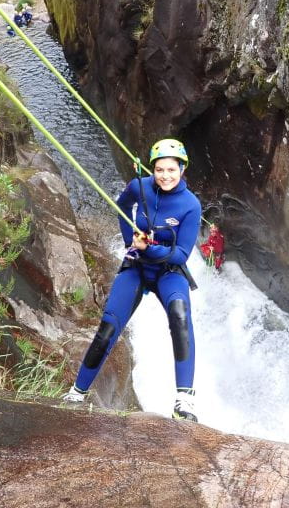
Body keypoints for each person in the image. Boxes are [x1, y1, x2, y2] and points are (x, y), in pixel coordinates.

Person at [62, 138, 202, 421]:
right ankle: (77, 393)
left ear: (182, 169)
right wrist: (131, 240)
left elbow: (181, 255)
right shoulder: (140, 187)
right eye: (160, 170)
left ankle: (184, 400)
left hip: (167, 273)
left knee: (180, 316)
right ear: (153, 169)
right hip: (137, 267)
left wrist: (147, 248)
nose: (165, 176)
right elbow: (122, 207)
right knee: (108, 326)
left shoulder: (190, 205)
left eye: (171, 170)